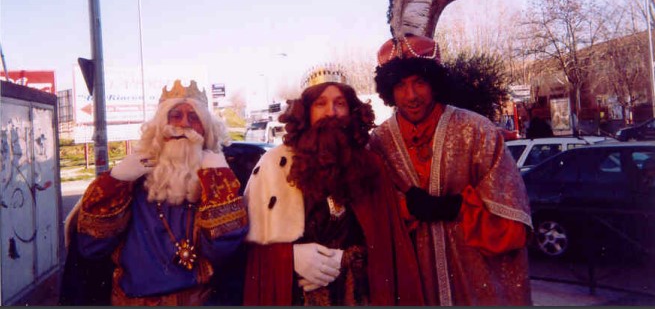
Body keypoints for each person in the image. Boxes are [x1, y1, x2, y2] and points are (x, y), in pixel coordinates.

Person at [369, 35, 533, 306]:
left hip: (475, 282)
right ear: (389, 90)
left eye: (420, 82)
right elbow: (374, 217)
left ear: (435, 82)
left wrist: (456, 208)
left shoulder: (477, 130)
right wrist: (406, 208)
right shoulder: (379, 143)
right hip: (413, 286)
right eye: (400, 85)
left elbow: (514, 223)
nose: (411, 96)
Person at [242, 65, 424, 306]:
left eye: (340, 103)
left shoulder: (371, 165)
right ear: (306, 112)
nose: (332, 112)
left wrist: (348, 260)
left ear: (351, 110)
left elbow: (386, 247)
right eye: (321, 104)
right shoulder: (274, 165)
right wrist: (290, 258)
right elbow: (247, 250)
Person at [71, 79, 248, 306]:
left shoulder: (218, 183)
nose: (184, 124)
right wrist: (115, 181)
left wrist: (217, 180)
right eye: (175, 115)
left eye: (194, 118)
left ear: (206, 129)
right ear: (159, 127)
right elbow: (91, 246)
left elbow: (222, 250)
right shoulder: (133, 182)